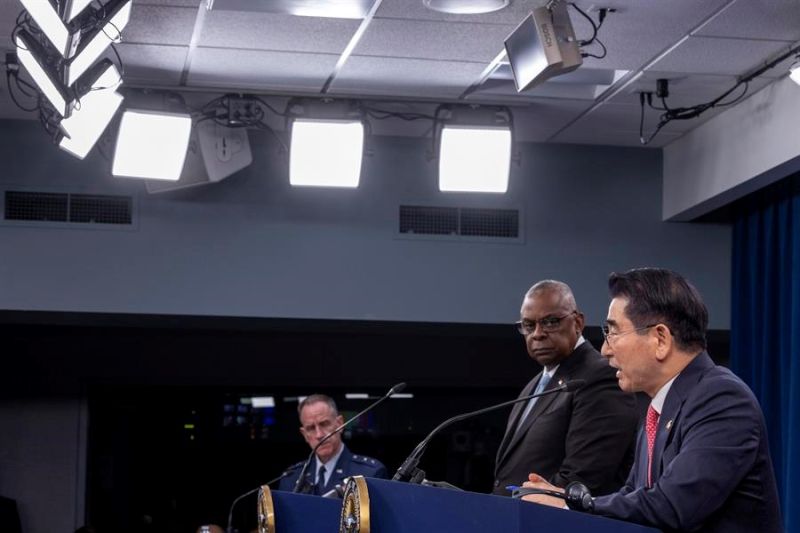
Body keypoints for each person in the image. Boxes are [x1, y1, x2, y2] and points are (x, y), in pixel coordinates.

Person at [521, 268, 782, 532]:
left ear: (660, 339)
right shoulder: (656, 409)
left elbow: (672, 505)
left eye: (613, 332)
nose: (605, 349)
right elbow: (632, 497)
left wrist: (570, 507)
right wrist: (565, 499)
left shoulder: (723, 399)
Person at [493, 280, 639, 496]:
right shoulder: (534, 385)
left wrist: (516, 504)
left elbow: (582, 478)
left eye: (550, 322)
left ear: (578, 322)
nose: (537, 333)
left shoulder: (601, 377)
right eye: (528, 325)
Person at [278, 394, 388, 495]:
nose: (319, 434)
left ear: (339, 424)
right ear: (304, 434)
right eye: (311, 428)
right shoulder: (291, 478)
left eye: (324, 424)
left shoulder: (369, 474)